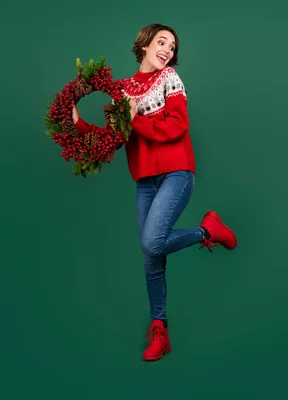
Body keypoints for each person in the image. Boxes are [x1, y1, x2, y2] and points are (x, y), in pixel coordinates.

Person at [72, 23, 237, 361]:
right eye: (161, 42)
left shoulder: (170, 80)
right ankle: (160, 331)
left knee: (151, 241)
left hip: (177, 171)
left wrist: (133, 119)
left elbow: (178, 125)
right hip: (145, 180)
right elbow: (110, 140)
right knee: (152, 257)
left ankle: (209, 230)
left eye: (172, 47)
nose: (168, 50)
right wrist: (76, 121)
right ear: (144, 45)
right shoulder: (121, 90)